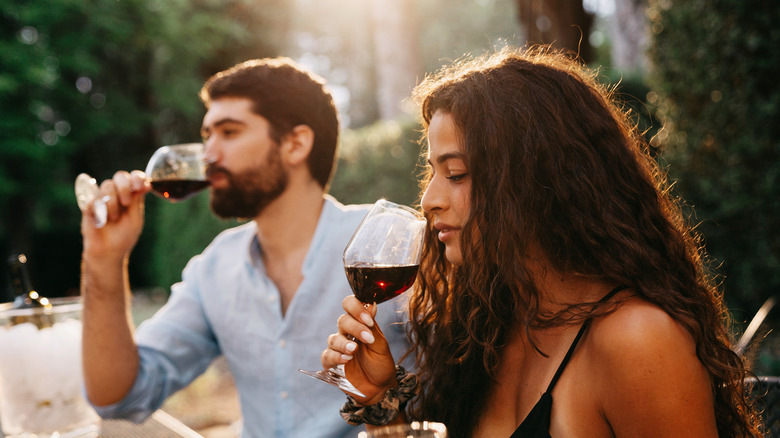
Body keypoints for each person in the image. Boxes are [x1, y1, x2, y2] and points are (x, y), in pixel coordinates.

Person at [320, 46, 761, 437]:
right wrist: (376, 396)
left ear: (533, 181)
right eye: (433, 172)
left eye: (456, 173)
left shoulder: (637, 339)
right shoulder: (489, 323)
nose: (429, 199)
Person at [79, 57, 409, 438]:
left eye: (229, 132)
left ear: (296, 144)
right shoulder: (216, 266)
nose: (208, 155)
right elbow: (117, 399)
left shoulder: (385, 246)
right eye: (207, 136)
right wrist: (104, 260)